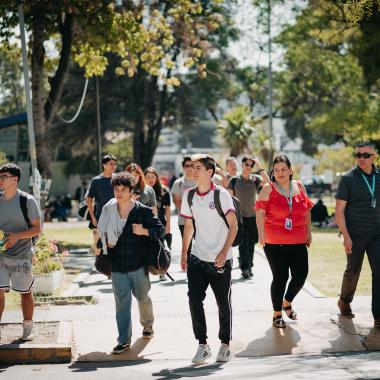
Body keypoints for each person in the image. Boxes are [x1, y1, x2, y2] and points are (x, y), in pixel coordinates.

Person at [98, 172, 164, 354]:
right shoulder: (108, 210)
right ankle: (124, 340)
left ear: (131, 191)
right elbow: (102, 233)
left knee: (143, 298)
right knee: (121, 304)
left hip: (138, 265)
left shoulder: (141, 210)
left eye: (123, 189)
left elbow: (160, 230)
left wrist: (144, 231)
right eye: (116, 189)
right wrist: (103, 247)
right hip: (117, 265)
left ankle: (148, 325)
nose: (119, 193)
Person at [180, 154, 238, 364]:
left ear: (210, 172)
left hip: (221, 259)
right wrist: (185, 253)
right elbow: (189, 225)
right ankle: (203, 345)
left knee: (223, 302)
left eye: (198, 167)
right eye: (192, 167)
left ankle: (225, 345)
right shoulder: (189, 195)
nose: (194, 171)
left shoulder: (221, 195)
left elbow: (234, 225)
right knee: (194, 299)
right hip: (197, 257)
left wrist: (224, 252)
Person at [256, 155, 313, 328]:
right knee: (280, 277)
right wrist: (261, 234)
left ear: (290, 171)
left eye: (284, 169)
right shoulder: (268, 188)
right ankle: (277, 314)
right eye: (277, 170)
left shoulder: (299, 186)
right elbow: (260, 213)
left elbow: (307, 211)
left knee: (300, 276)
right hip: (274, 241)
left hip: (298, 239)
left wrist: (308, 233)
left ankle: (287, 301)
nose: (280, 173)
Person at [335, 142, 380, 328]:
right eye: (358, 155)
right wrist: (345, 236)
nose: (361, 158)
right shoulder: (348, 178)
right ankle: (344, 300)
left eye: (365, 155)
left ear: (374, 157)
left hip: (377, 234)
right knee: (353, 270)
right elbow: (339, 211)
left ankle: (378, 316)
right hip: (355, 234)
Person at [0, 163, 41, 341]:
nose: (0, 180)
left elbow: (36, 229)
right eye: (0, 176)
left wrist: (17, 236)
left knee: (25, 291)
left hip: (22, 255)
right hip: (1, 254)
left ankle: (28, 327)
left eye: (4, 177)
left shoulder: (27, 200)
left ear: (15, 179)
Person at [228, 156, 269, 279]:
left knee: (252, 243)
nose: (249, 167)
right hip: (240, 217)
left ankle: (249, 266)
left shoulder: (256, 180)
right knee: (243, 243)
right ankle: (245, 268)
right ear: (242, 164)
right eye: (247, 164)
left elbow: (268, 183)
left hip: (253, 218)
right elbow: (228, 198)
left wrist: (260, 166)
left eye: (251, 165)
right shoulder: (234, 180)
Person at [85, 154, 117, 255]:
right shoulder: (96, 181)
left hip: (117, 217)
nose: (113, 166)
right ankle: (98, 264)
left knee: (114, 244)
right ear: (104, 165)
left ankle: (112, 266)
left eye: (115, 164)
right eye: (111, 164)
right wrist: (93, 217)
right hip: (101, 217)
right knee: (99, 244)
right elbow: (89, 199)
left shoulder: (118, 179)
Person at [145, 166, 172, 281]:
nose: (151, 179)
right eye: (148, 177)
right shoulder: (141, 192)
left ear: (157, 177)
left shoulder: (163, 191)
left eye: (153, 176)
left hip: (159, 225)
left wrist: (168, 224)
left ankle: (163, 271)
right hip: (145, 226)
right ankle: (145, 273)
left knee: (161, 248)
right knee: (145, 249)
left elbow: (167, 209)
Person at [171, 156, 196, 251]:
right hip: (183, 220)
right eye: (187, 165)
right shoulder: (178, 183)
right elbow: (177, 202)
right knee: (187, 247)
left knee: (201, 246)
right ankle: (189, 265)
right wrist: (189, 214)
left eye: (192, 165)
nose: (189, 168)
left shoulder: (199, 182)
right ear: (183, 167)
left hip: (199, 220)